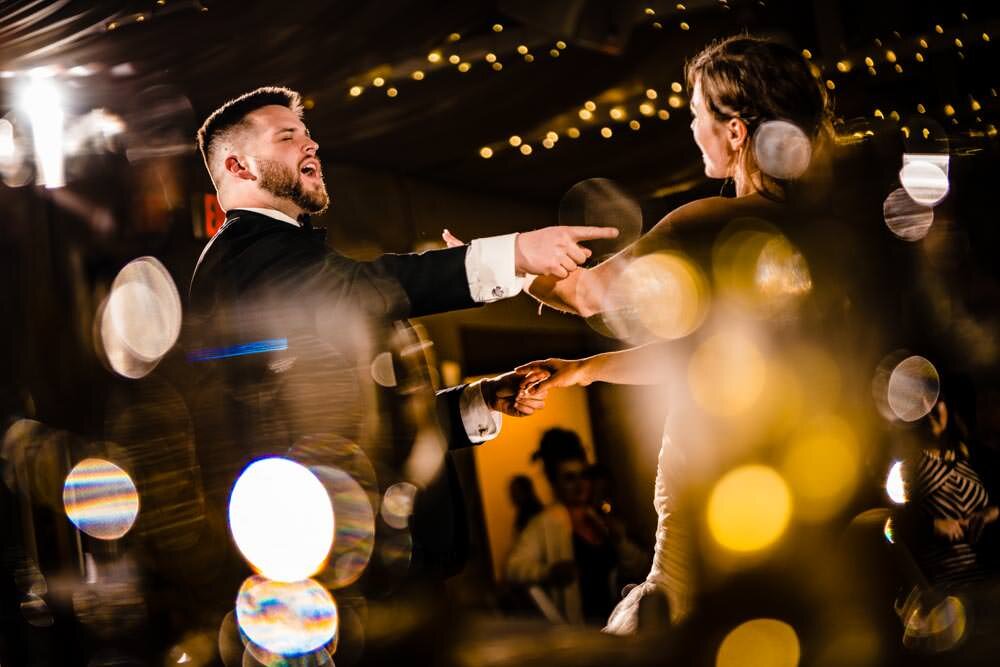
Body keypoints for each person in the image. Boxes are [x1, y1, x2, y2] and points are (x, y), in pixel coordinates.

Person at [512, 36, 835, 633]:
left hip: (705, 499)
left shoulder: (711, 222)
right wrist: (586, 370)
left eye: (695, 115)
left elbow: (583, 293)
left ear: (736, 131)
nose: (691, 129)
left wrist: (495, 264)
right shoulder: (821, 234)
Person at [505, 428, 646, 625]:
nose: (580, 485)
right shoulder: (544, 523)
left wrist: (620, 542)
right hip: (580, 629)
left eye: (584, 475)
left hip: (618, 626)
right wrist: (549, 572)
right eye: (570, 478)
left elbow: (639, 567)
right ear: (555, 483)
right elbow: (513, 568)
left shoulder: (600, 516)